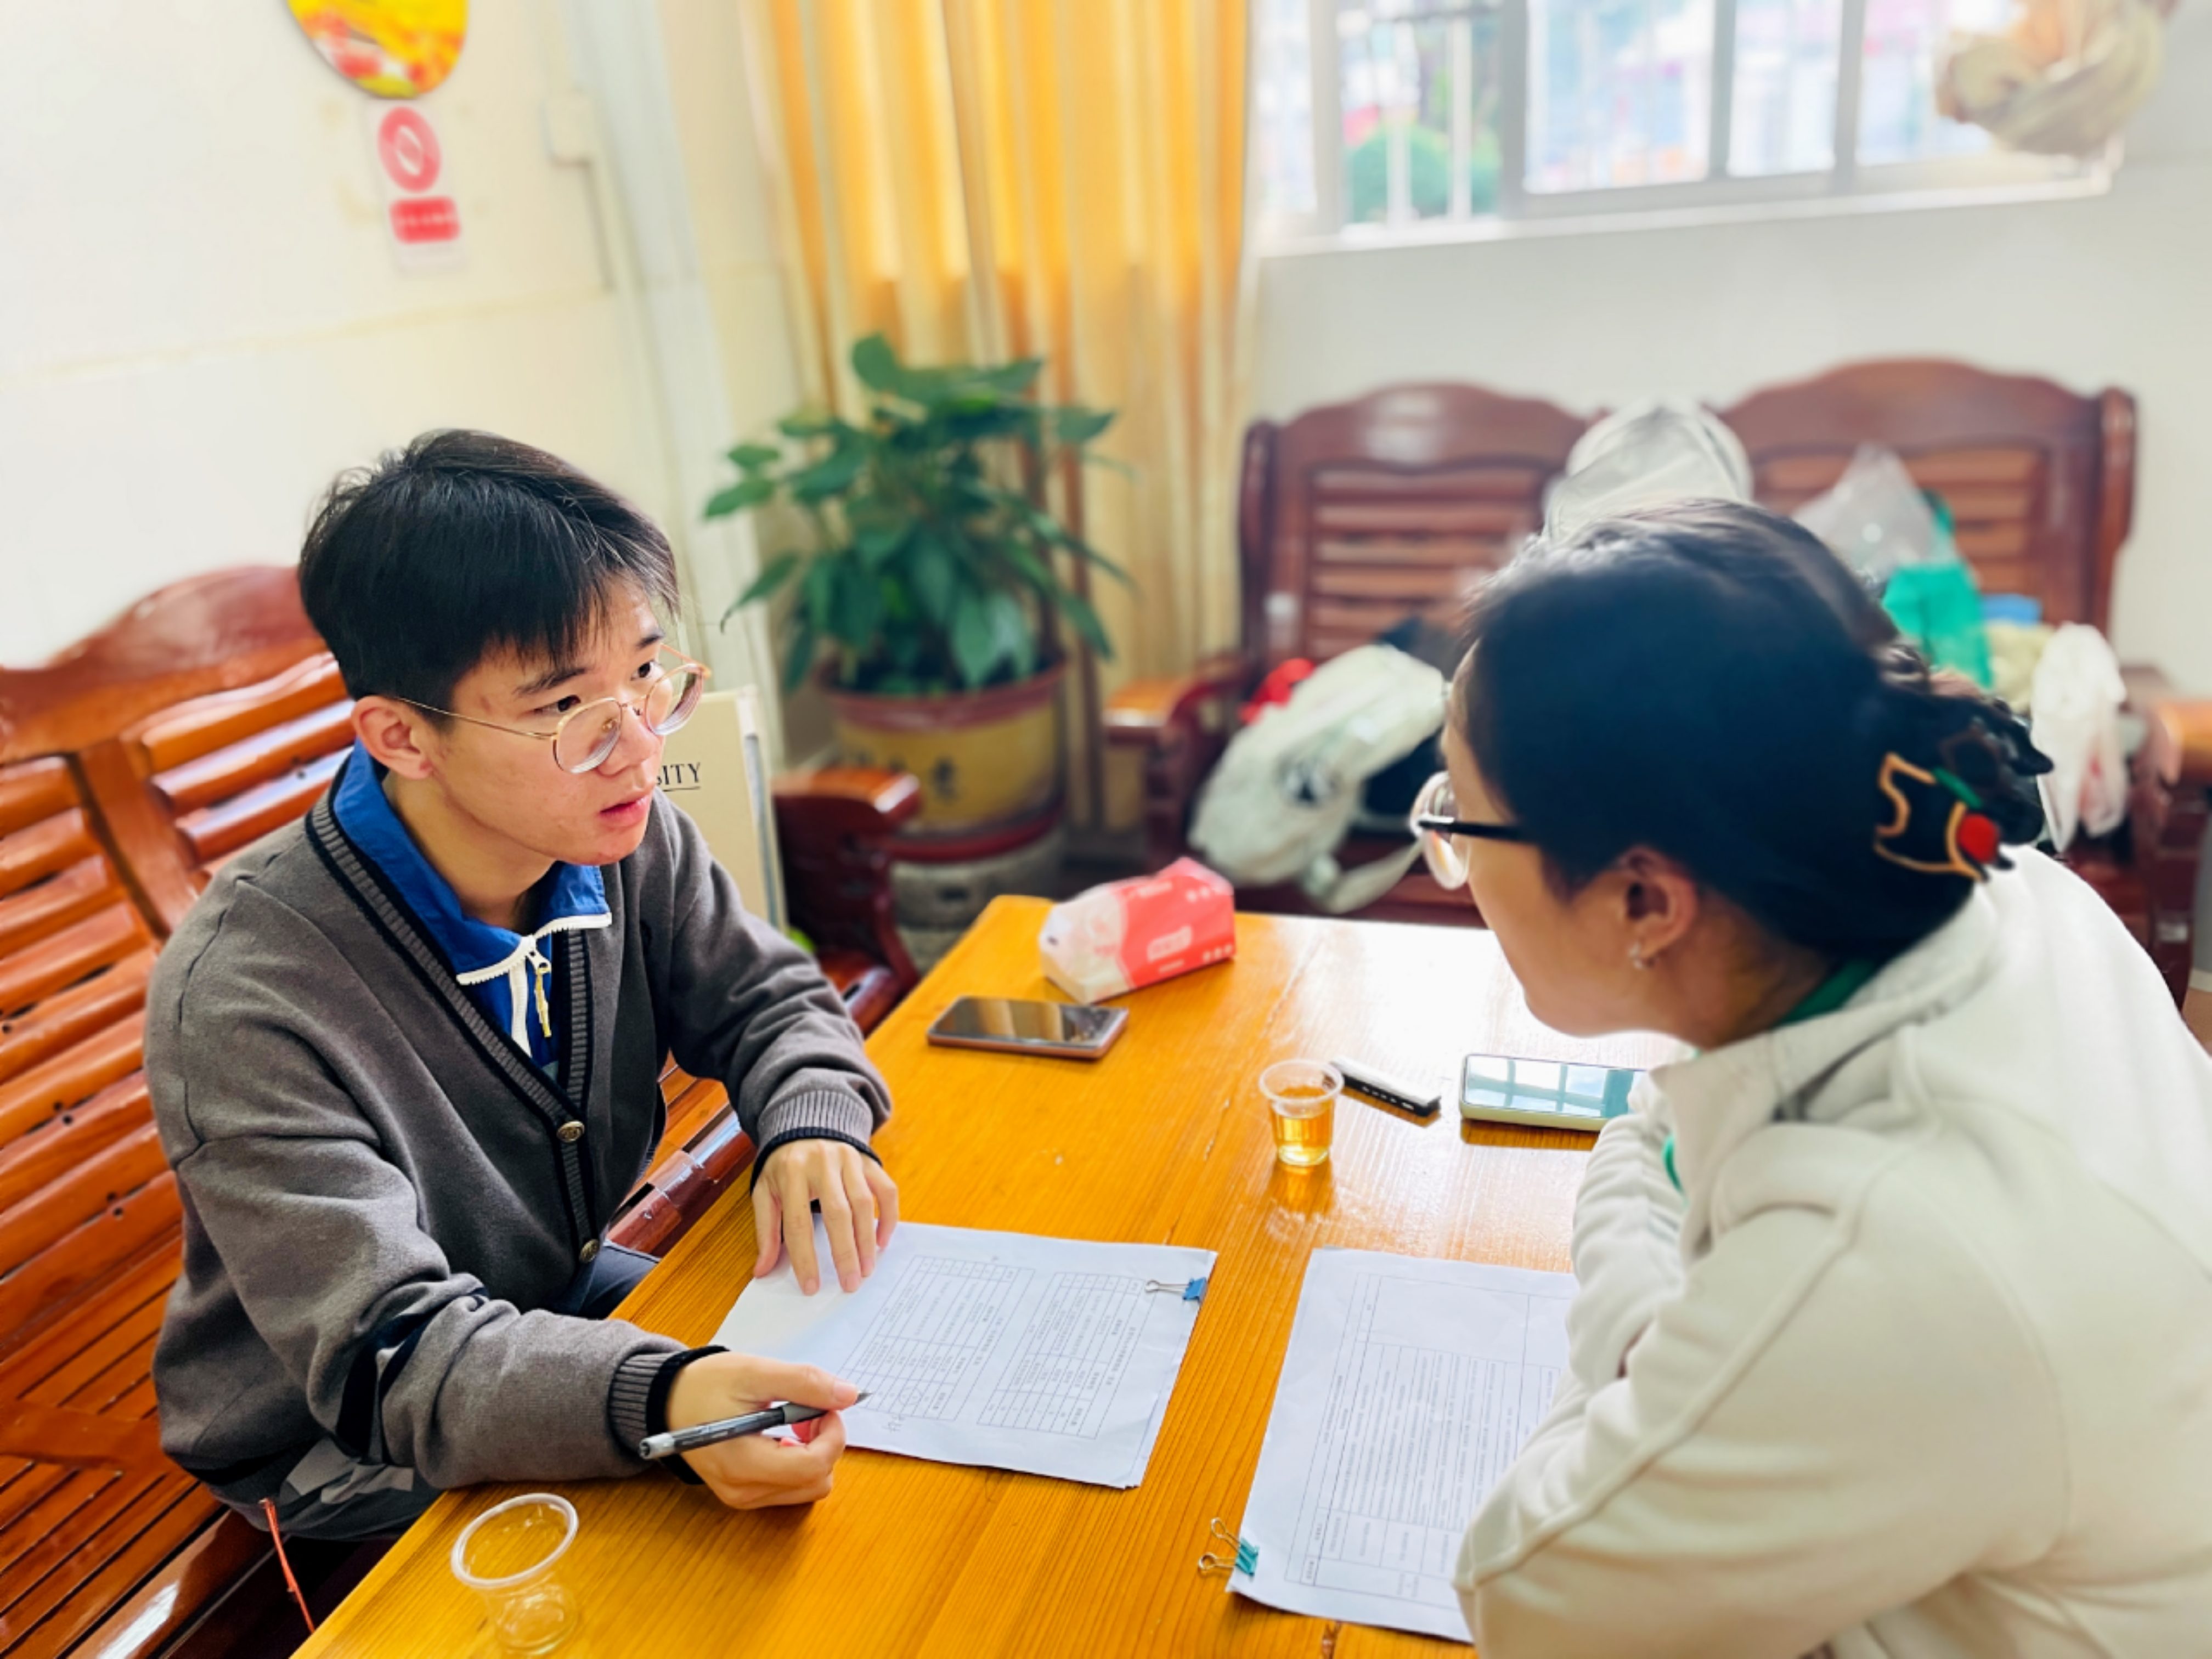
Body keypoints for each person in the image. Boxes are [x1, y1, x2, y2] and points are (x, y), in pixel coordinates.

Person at [1415, 501, 2212, 1655]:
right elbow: (1661, 1128)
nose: (1449, 860)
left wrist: (1643, 1336)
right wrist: (1668, 1313)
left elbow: (1525, 1596)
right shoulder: (2001, 896)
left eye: (1461, 819)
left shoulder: (1891, 1249)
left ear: (1645, 901)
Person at [148, 432, 894, 1540]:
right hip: (339, 1438)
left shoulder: (617, 834)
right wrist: (661, 1403)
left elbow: (770, 1001)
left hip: (548, 1306)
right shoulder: (248, 994)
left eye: (646, 675)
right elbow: (389, 1356)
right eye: (562, 710)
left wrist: (812, 1121)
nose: (636, 749)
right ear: (403, 737)